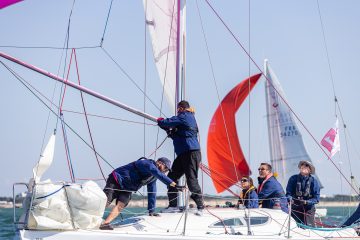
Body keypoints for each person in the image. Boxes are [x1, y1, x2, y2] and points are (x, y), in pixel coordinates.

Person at [100, 157, 184, 230]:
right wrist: (174, 185)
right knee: (106, 201)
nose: (165, 171)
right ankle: (89, 217)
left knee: (121, 204)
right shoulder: (147, 163)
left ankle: (105, 224)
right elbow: (157, 172)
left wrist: (151, 211)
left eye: (166, 170)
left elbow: (152, 191)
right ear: (159, 162)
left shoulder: (153, 177)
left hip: (127, 188)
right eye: (165, 168)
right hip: (117, 179)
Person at [157, 100, 204, 215]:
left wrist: (161, 121)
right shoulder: (184, 120)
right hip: (183, 154)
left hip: (191, 153)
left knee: (191, 179)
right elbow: (176, 135)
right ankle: (173, 206)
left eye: (178, 109)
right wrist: (168, 130)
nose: (177, 111)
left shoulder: (185, 116)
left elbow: (168, 122)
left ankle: (200, 206)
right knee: (171, 177)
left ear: (182, 108)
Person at [286, 160, 320, 226]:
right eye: (302, 164)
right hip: (295, 207)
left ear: (310, 170)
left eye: (306, 165)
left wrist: (306, 202)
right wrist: (290, 199)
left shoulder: (314, 181)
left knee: (309, 227)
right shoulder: (293, 179)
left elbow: (316, 199)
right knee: (294, 226)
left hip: (308, 208)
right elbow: (288, 194)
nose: (304, 166)